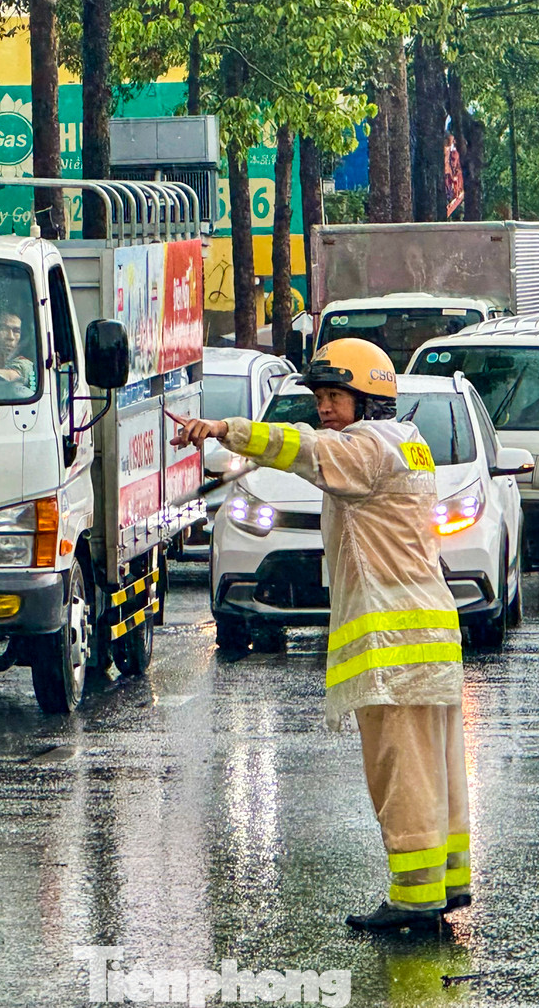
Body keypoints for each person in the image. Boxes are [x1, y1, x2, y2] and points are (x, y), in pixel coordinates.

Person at [171, 338, 469, 934]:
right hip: (429, 635)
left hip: (395, 650)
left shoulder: (363, 451)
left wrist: (225, 428)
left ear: (369, 398)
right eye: (321, 397)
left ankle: (415, 898)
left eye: (336, 396)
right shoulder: (404, 443)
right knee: (437, 770)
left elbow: (298, 446)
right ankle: (446, 882)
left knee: (400, 770)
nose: (325, 408)